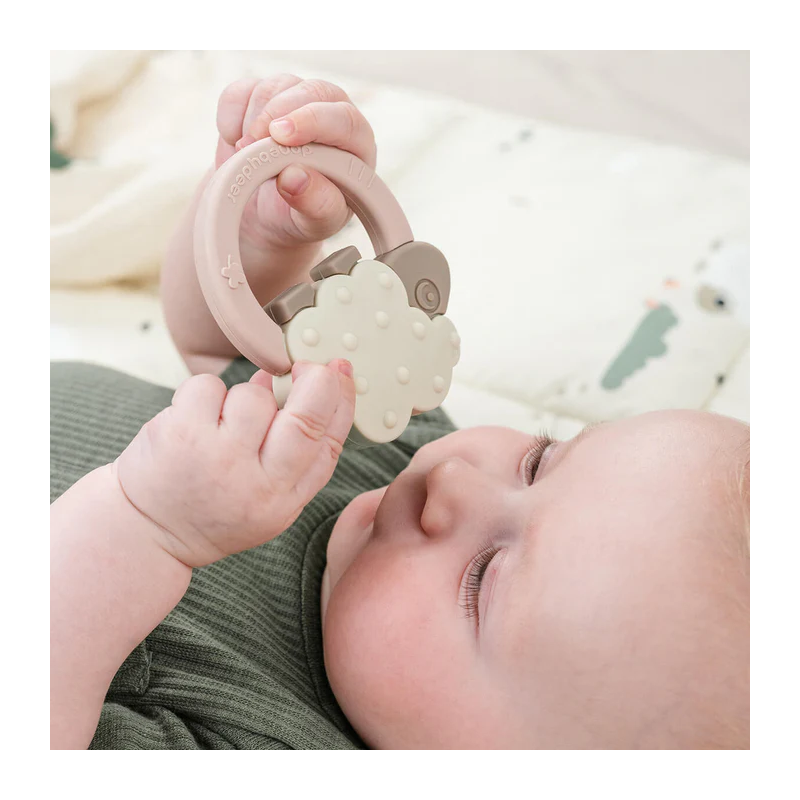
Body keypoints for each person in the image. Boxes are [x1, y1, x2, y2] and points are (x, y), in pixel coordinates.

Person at [50, 75, 750, 750]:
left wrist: (144, 526)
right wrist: (268, 235)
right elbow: (219, 346)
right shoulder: (386, 445)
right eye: (540, 462)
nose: (457, 483)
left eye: (485, 576)